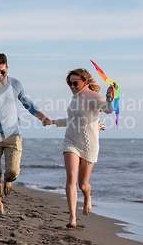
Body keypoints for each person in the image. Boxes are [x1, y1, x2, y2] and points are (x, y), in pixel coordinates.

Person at [0, 53, 50, 215]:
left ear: (7, 68)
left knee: (12, 171)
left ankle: (8, 180)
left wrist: (42, 117)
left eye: (2, 72)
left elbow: (29, 104)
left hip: (13, 134)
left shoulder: (16, 84)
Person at [43, 68, 115, 227]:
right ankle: (72, 219)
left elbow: (109, 110)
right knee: (71, 177)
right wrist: (52, 122)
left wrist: (109, 96)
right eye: (70, 83)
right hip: (71, 141)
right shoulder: (74, 98)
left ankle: (87, 196)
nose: (72, 86)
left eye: (75, 83)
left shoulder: (93, 97)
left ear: (85, 82)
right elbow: (71, 120)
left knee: (83, 185)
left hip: (89, 146)